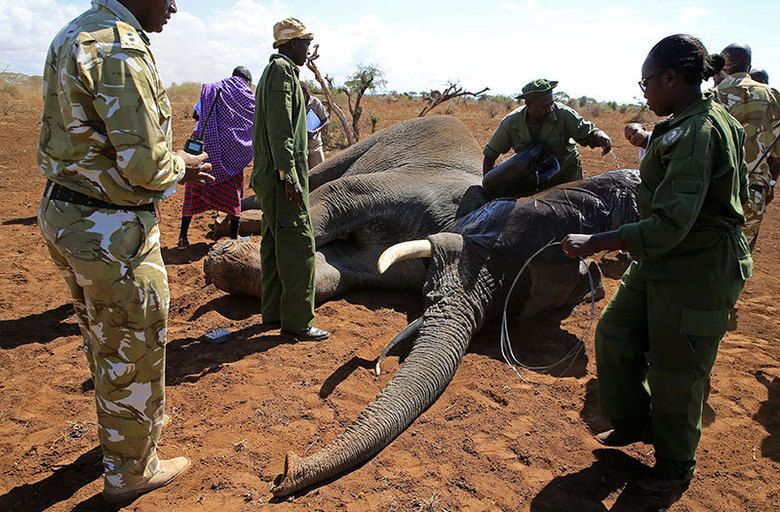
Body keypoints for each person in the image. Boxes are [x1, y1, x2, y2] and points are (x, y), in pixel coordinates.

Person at [37, 0, 214, 503]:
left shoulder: (73, 33)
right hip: (110, 228)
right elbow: (147, 167)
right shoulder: (120, 45)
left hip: (66, 214)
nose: (174, 6)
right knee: (132, 347)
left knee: (104, 338)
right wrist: (182, 164)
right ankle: (131, 472)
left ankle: (119, 441)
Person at [561, 34, 753, 493]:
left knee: (676, 370)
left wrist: (597, 242)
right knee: (615, 334)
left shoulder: (700, 130)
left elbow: (671, 223)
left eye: (646, 82)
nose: (643, 92)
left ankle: (674, 466)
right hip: (661, 257)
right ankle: (634, 421)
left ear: (672, 78)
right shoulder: (683, 122)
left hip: (698, 265)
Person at [250, 18, 330, 341]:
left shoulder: (272, 73)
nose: (307, 50)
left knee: (272, 244)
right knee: (299, 245)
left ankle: (273, 313)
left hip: (269, 176)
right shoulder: (282, 72)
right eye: (305, 44)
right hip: (282, 178)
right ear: (291, 44)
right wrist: (290, 175)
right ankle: (297, 321)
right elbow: (280, 130)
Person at [178, 66, 256, 248]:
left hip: (206, 153)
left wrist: (214, 120)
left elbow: (196, 114)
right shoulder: (250, 98)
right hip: (233, 155)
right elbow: (253, 124)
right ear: (248, 82)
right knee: (234, 194)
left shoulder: (213, 89)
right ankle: (234, 237)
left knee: (192, 190)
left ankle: (182, 237)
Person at [482, 78, 613, 187]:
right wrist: (488, 187)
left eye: (551, 103)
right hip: (533, 180)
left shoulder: (564, 114)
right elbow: (490, 155)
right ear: (528, 104)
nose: (550, 109)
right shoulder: (511, 123)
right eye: (544, 106)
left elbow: (589, 134)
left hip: (567, 175)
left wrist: (600, 136)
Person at [712, 43, 780, 252]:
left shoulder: (713, 96)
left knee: (708, 260)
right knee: (739, 259)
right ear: (749, 67)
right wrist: (770, 183)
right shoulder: (773, 97)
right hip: (755, 194)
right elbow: (777, 154)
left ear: (725, 64)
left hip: (717, 193)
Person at [300, 82, 330, 169]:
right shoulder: (295, 104)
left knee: (320, 173)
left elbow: (326, 120)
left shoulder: (315, 102)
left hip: (315, 146)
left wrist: (315, 131)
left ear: (306, 94)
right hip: (301, 148)